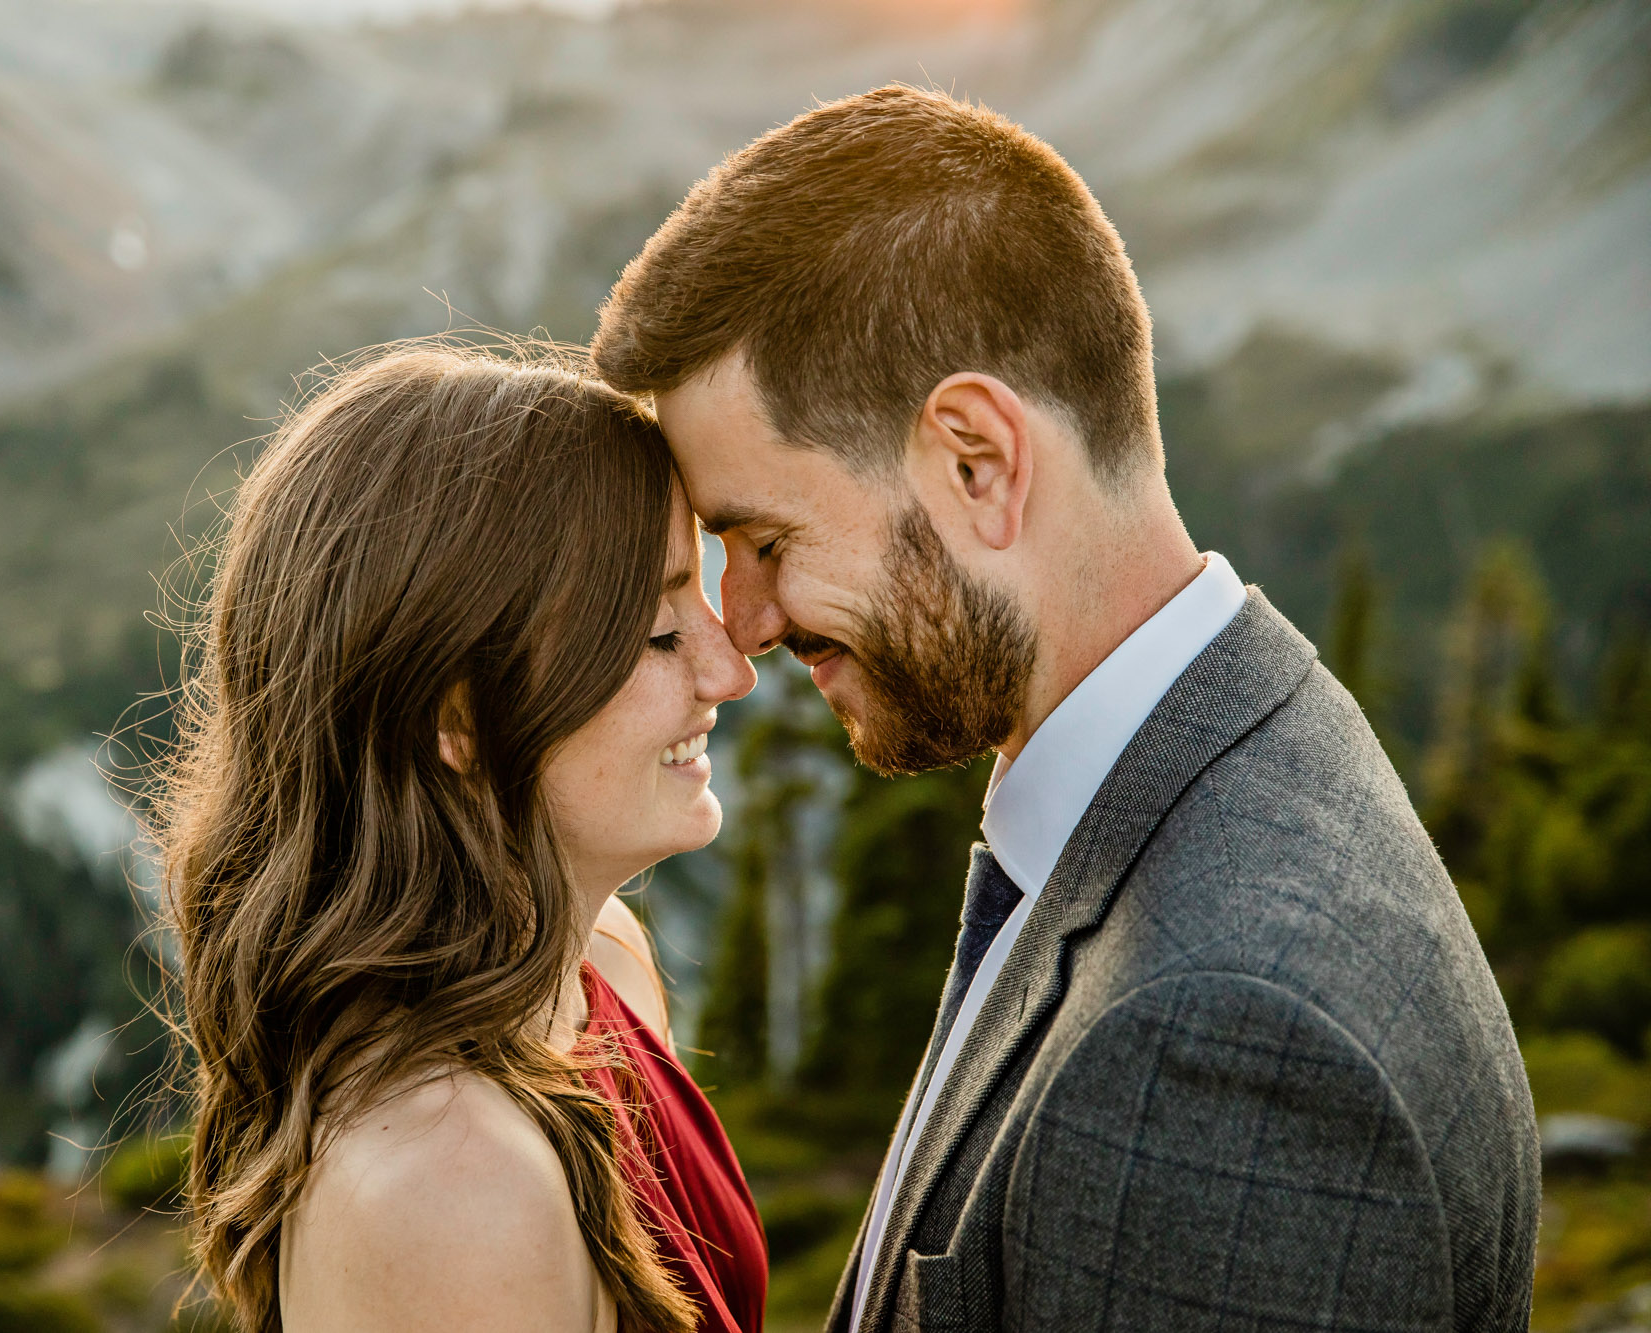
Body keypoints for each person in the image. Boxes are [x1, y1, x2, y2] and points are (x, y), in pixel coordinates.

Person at [593, 85, 1540, 1332]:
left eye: (763, 540)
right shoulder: (1223, 763)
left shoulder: (1218, 1044)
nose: (747, 623)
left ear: (976, 462)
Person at [154, 344, 766, 1333]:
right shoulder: (448, 1191)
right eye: (657, 630)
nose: (728, 669)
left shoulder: (597, 958)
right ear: (458, 713)